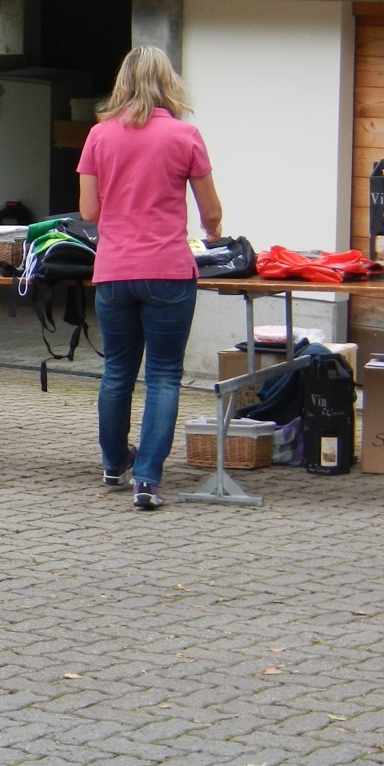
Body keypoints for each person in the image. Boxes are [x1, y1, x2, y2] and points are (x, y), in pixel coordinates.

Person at [78, 46, 222, 512]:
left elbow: (89, 211)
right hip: (168, 272)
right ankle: (147, 479)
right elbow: (211, 211)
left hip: (114, 271)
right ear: (168, 84)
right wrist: (213, 232)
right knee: (163, 375)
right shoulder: (185, 135)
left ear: (122, 83)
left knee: (117, 371)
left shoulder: (99, 135)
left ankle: (113, 462)